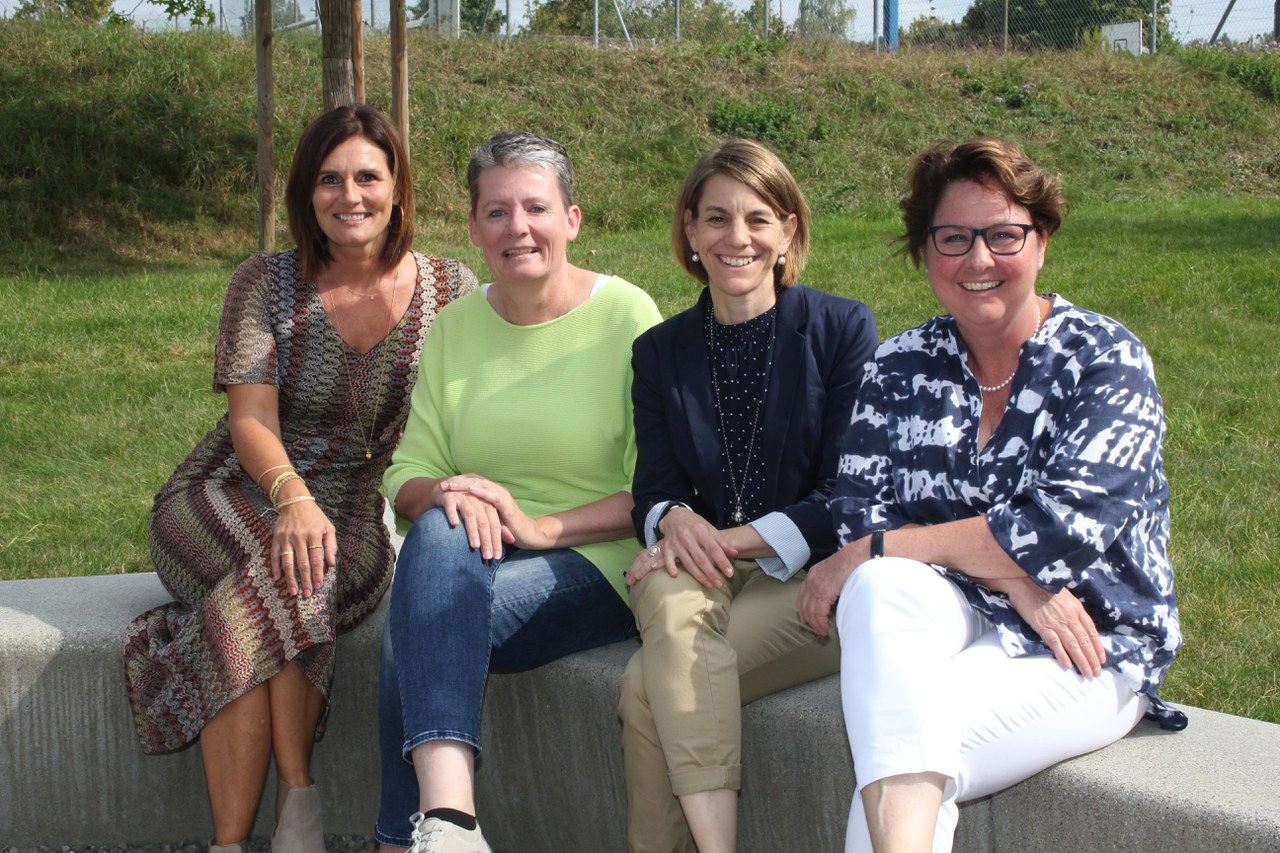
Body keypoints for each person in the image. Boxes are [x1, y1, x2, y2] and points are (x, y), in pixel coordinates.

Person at [797, 137, 1185, 853]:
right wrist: (1015, 579)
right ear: (926, 250)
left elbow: (1061, 527)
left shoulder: (1105, 359)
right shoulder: (901, 364)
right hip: (965, 608)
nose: (979, 259)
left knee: (903, 743)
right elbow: (857, 512)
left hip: (1088, 641)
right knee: (879, 588)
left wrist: (887, 546)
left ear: (1042, 241)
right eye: (954, 238)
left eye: (1004, 235)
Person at [123, 104, 477, 853]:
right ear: (305, 193)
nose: (349, 196)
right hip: (225, 493)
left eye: (367, 177)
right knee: (286, 568)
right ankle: (295, 801)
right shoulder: (265, 280)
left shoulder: (452, 288)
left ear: (398, 188)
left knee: (282, 585)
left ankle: (255, 828)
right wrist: (292, 499)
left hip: (357, 517)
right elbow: (250, 416)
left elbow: (473, 413)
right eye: (328, 179)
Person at [375, 130, 663, 853]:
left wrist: (536, 528)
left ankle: (407, 836)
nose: (518, 228)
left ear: (572, 219)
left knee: (416, 623)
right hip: (472, 556)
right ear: (474, 228)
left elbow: (656, 489)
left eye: (536, 207)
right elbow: (406, 473)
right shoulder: (455, 327)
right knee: (441, 521)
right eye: (496, 212)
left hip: (599, 561)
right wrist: (454, 492)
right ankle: (449, 822)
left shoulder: (626, 316)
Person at [619, 138, 878, 853]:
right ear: (691, 232)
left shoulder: (841, 329)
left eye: (759, 218)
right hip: (709, 571)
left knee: (646, 688)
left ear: (788, 231)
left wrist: (713, 539)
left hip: (815, 578)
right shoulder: (659, 351)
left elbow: (848, 494)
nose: (738, 237)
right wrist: (673, 518)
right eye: (717, 218)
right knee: (668, 606)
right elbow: (654, 487)